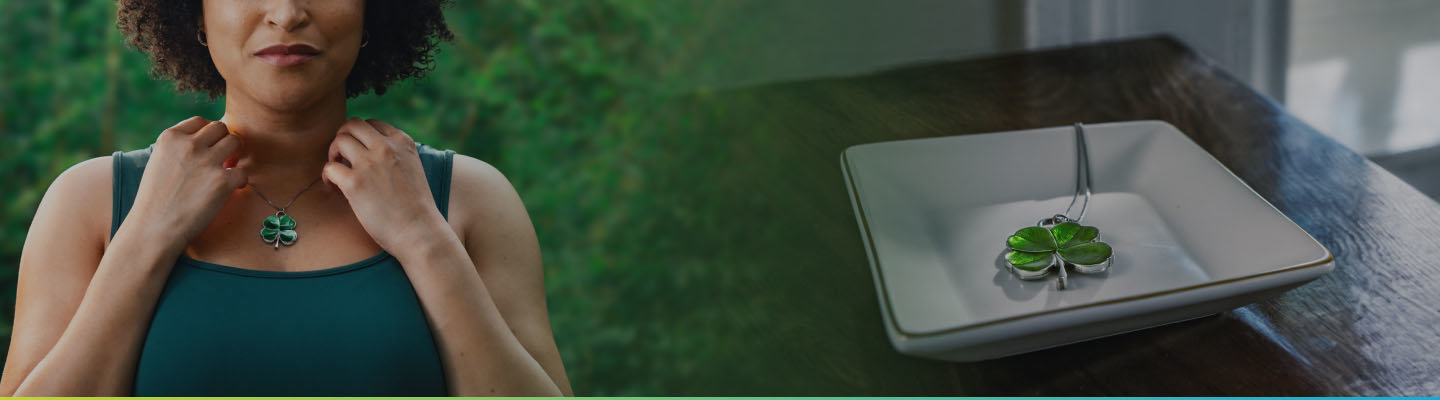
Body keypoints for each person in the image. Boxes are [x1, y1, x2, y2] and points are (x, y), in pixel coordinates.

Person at [0, 0, 572, 396]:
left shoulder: (470, 199)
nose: (287, 12)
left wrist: (424, 237)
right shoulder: (88, 202)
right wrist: (147, 233)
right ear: (196, 15)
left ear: (372, 11)